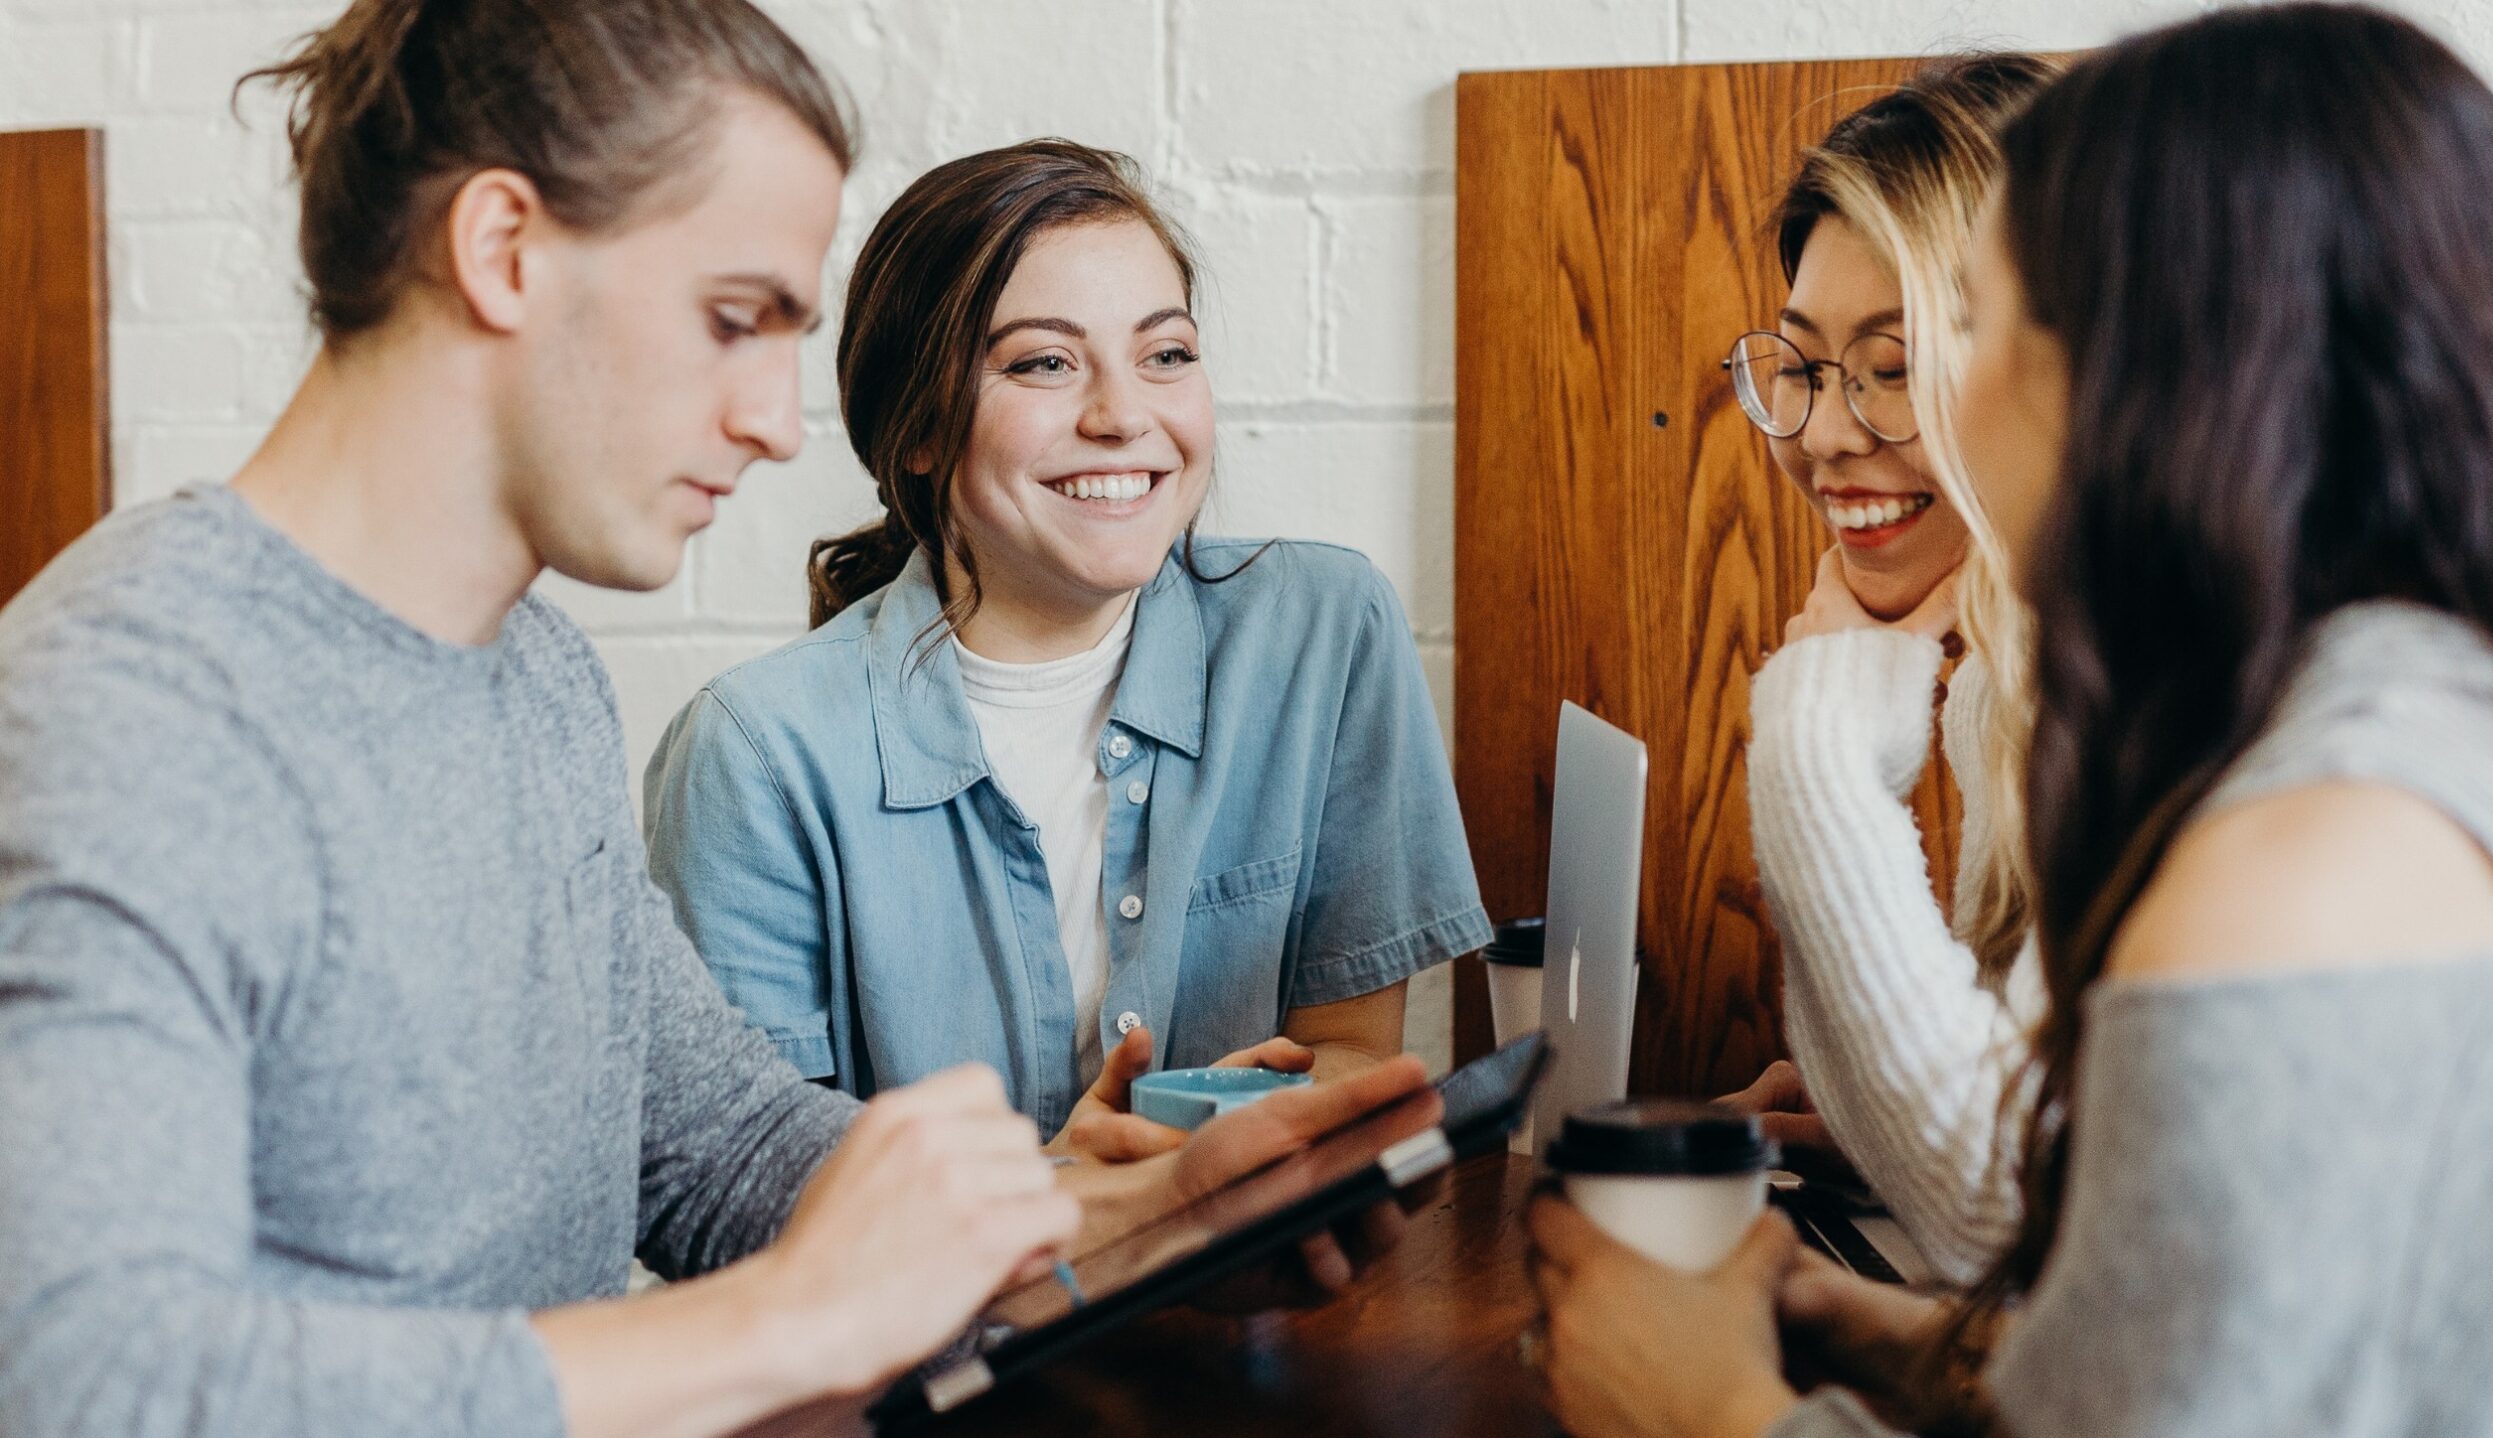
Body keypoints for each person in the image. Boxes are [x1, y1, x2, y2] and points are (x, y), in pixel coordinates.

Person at [0, 5, 1430, 1436]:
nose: (773, 421)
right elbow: (86, 1378)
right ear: (502, 251)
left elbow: (721, 1153)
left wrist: (1121, 1227)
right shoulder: (127, 708)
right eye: (732, 319)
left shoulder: (533, 678)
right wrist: (789, 1320)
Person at [1528, 6, 2493, 1436]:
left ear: (2157, 367)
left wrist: (1707, 1409)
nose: (1913, 402)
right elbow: (2186, 1370)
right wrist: (1870, 1330)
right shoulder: (2416, 723)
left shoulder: (2302, 857)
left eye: (1983, 321)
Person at [644, 139, 1491, 1159]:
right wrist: (1072, 1194)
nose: (1123, 415)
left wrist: (1208, 1144)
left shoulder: (1321, 632)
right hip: (940, 1320)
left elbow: (1351, 1052)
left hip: (1252, 1299)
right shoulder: (754, 754)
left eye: (1165, 354)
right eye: (1043, 362)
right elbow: (754, 1192)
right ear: (914, 428)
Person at [1722, 54, 2054, 1284]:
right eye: (1802, 365)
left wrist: (1814, 741)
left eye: (1895, 364)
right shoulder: (2007, 680)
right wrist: (1870, 1115)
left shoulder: (2150, 691)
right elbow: (2019, 1162)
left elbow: (1998, 1216)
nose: (1820, 433)